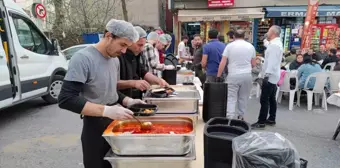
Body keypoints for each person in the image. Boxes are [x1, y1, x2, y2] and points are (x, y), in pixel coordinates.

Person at [58, 19, 145, 168]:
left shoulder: (114, 60)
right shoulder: (83, 58)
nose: (124, 51)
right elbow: (66, 98)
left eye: (127, 47)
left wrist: (128, 101)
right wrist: (106, 110)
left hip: (115, 122)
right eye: (123, 45)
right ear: (109, 36)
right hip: (94, 126)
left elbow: (110, 90)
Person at [118, 26, 169, 99]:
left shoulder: (137, 54)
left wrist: (158, 80)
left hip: (135, 96)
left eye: (143, 45)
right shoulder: (118, 56)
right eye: (139, 45)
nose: (142, 49)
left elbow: (142, 72)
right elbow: (113, 83)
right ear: (129, 42)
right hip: (122, 98)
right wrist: (133, 83)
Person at [217, 29, 256, 120]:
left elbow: (223, 62)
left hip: (233, 75)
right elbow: (253, 64)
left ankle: (229, 118)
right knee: (243, 97)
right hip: (247, 75)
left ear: (234, 36)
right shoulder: (251, 47)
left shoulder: (229, 46)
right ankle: (241, 116)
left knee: (231, 98)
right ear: (244, 36)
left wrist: (218, 75)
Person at [252, 25, 283, 129]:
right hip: (274, 75)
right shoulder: (275, 43)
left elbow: (272, 62)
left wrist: (266, 76)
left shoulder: (274, 46)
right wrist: (265, 40)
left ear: (273, 33)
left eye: (269, 31)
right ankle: (272, 118)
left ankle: (261, 122)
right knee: (271, 98)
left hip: (270, 76)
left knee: (264, 99)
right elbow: (267, 45)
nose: (267, 33)